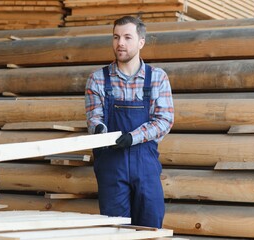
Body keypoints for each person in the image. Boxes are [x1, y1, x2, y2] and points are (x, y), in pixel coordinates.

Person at [85, 16, 174, 228]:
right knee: (115, 230)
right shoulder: (97, 79)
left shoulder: (157, 78)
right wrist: (99, 130)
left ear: (141, 42)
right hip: (111, 166)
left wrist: (132, 138)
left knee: (150, 225)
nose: (120, 43)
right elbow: (94, 117)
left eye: (127, 37)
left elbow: (165, 120)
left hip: (145, 163)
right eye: (116, 37)